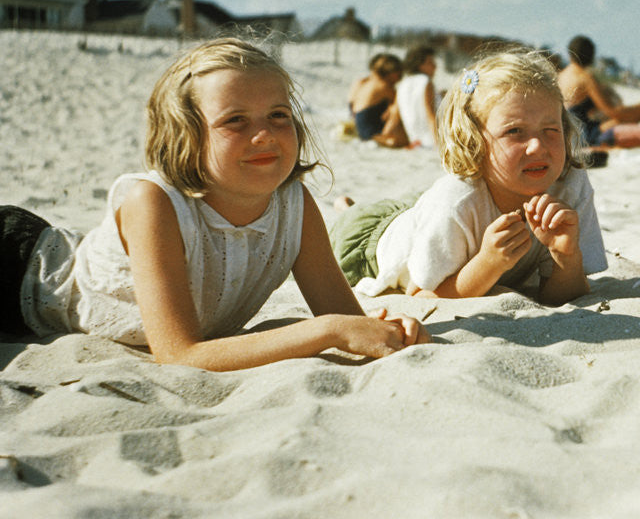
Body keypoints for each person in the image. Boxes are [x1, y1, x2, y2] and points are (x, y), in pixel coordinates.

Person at [2, 38, 428, 370]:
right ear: (187, 136)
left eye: (278, 115)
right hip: (15, 271)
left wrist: (384, 331)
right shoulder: (154, 202)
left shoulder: (294, 204)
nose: (264, 135)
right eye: (235, 121)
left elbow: (341, 317)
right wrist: (329, 332)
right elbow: (181, 355)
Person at [330, 48, 608, 304]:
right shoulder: (455, 201)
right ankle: (347, 208)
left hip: (431, 214)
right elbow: (422, 294)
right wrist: (487, 264)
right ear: (474, 141)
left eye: (551, 129)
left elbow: (562, 296)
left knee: (422, 208)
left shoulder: (569, 184)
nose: (538, 146)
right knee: (361, 218)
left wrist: (566, 257)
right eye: (514, 132)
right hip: (372, 243)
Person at [348, 53, 406, 147]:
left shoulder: (364, 83)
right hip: (373, 131)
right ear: (391, 72)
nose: (400, 78)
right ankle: (384, 136)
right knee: (397, 107)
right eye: (399, 74)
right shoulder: (385, 87)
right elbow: (399, 107)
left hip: (361, 129)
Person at [395, 44, 439, 148]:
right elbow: (430, 114)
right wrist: (438, 144)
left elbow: (395, 116)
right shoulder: (425, 82)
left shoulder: (403, 83)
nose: (435, 66)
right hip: (430, 140)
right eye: (430, 62)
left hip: (414, 139)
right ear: (419, 64)